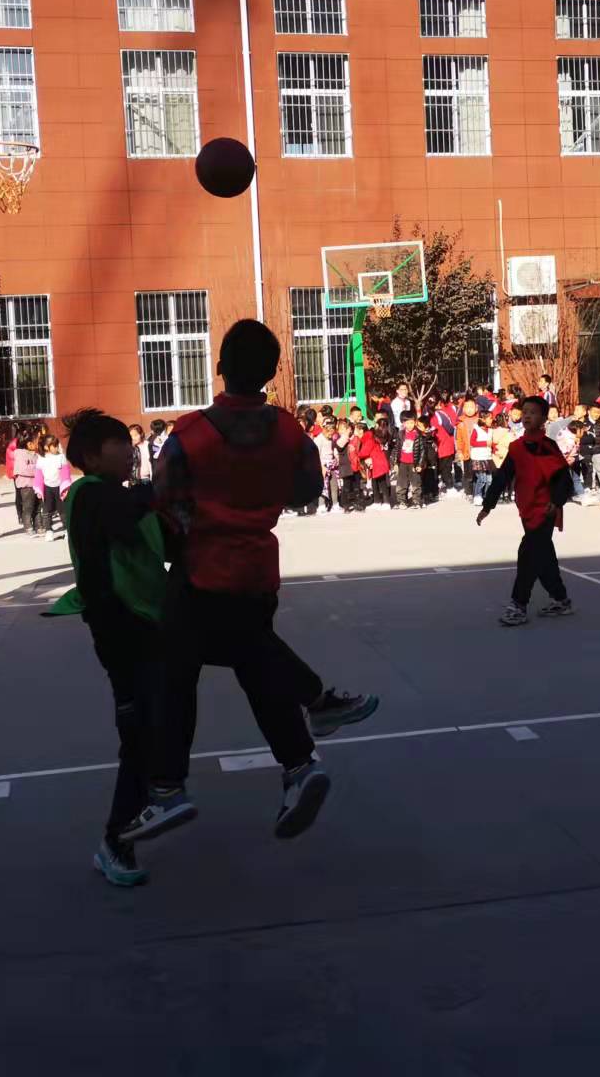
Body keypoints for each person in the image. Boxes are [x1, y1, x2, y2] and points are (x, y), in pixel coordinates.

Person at [120, 320, 380, 844]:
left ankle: (169, 789)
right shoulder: (287, 430)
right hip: (258, 566)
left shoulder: (190, 433)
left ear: (220, 365)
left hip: (202, 568)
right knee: (254, 661)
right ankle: (301, 760)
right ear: (271, 372)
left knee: (177, 675)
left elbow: (165, 502)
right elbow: (307, 488)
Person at [63, 408, 170, 888]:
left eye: (129, 444)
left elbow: (155, 538)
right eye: (118, 445)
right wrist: (166, 485)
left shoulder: (117, 495)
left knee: (153, 724)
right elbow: (126, 519)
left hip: (146, 624)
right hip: (120, 630)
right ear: (91, 455)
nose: (129, 451)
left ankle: (155, 795)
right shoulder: (89, 496)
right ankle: (116, 839)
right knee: (138, 734)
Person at [478, 396, 575, 626]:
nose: (528, 415)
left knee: (528, 555)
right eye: (525, 412)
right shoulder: (516, 447)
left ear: (543, 418)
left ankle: (518, 605)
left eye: (533, 412)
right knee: (544, 557)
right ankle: (561, 600)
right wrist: (488, 506)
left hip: (546, 510)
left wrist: (556, 501)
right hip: (527, 509)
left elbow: (564, 481)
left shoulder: (548, 447)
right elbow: (502, 478)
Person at [34, 433, 71, 537]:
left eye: (57, 445)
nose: (56, 448)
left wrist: (66, 486)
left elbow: (65, 473)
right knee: (47, 510)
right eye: (54, 446)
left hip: (59, 487)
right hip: (47, 487)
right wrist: (38, 489)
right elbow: (38, 475)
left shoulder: (61, 457)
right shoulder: (41, 459)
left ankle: (66, 529)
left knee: (62, 509)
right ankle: (49, 530)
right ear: (46, 447)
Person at [396, 413, 426, 507]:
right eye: (407, 423)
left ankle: (416, 500)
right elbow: (396, 449)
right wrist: (395, 462)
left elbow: (422, 451)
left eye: (412, 423)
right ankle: (402, 501)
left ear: (415, 423)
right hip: (402, 463)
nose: (410, 425)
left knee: (416, 483)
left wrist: (420, 464)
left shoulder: (418, 434)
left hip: (414, 463)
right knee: (402, 483)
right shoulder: (400, 434)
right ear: (403, 423)